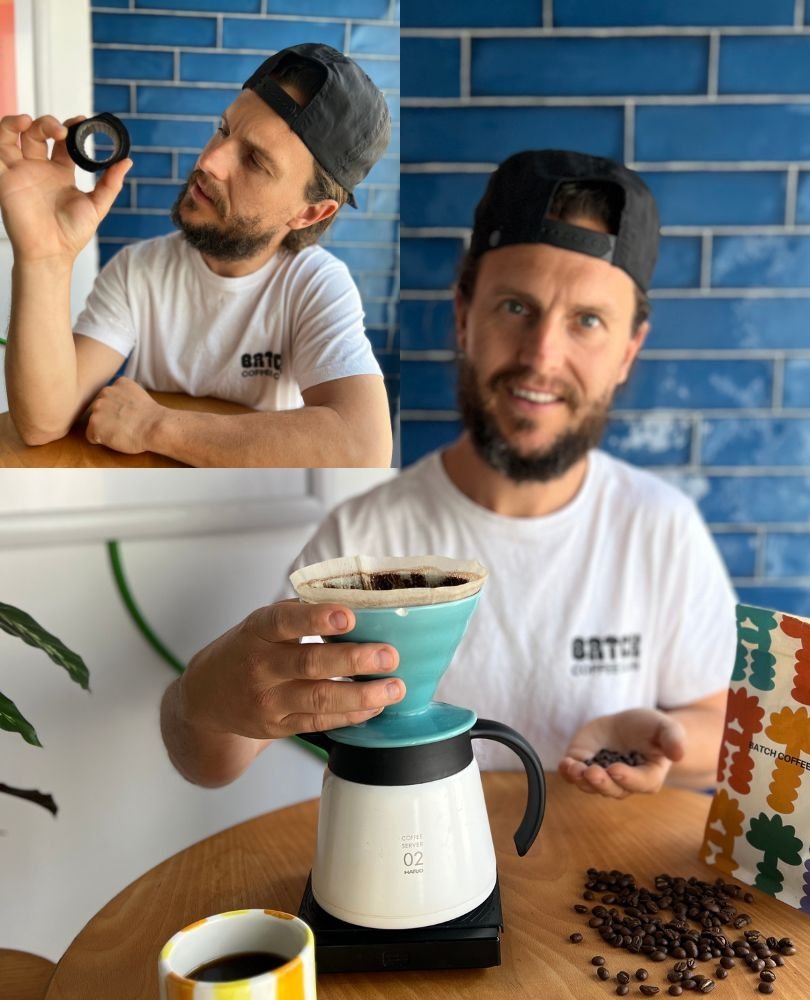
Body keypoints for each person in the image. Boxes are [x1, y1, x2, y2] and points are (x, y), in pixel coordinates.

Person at [161, 149, 737, 798]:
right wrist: (204, 696)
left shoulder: (660, 527)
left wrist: (664, 738)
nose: (542, 357)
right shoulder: (365, 538)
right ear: (464, 315)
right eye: (516, 307)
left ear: (628, 351)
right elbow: (208, 762)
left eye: (588, 322)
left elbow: (722, 731)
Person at [1, 43, 392, 467]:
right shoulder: (139, 270)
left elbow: (363, 449)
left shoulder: (314, 286)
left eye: (256, 161)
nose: (209, 160)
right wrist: (44, 257)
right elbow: (43, 421)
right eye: (224, 130)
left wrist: (155, 426)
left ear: (311, 212)